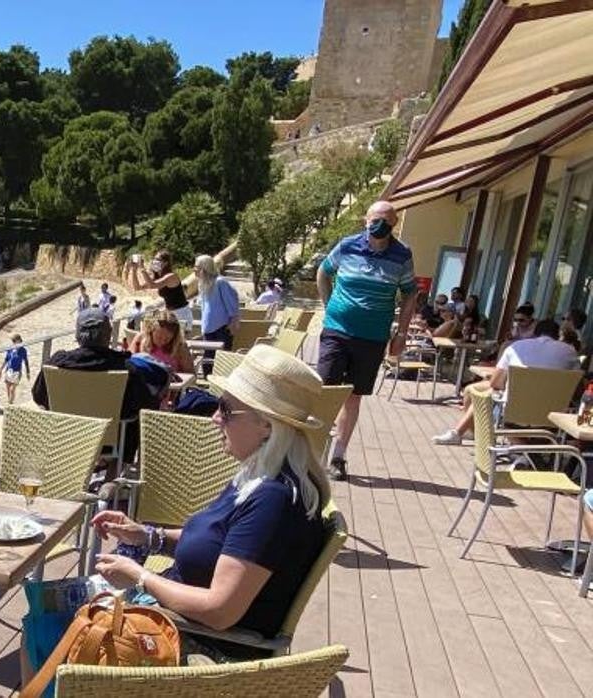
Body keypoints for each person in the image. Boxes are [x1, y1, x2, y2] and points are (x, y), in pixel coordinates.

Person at [84, 345, 329, 661]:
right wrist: (147, 536)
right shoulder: (261, 474)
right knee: (50, 611)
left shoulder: (274, 501)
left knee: (53, 623)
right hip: (177, 620)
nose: (215, 417)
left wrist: (139, 576)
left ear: (267, 426)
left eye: (225, 409)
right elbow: (215, 543)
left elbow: (219, 612)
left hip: (202, 645)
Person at [316, 200, 418, 482]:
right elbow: (324, 272)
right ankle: (313, 452)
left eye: (386, 220)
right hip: (337, 328)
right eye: (375, 218)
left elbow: (410, 293)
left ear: (394, 224)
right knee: (325, 390)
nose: (380, 224)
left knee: (353, 395)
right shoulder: (347, 246)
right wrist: (328, 306)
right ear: (365, 220)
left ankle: (338, 456)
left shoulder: (402, 255)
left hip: (372, 337)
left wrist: (402, 333)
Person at [33, 308, 159, 463]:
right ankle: (113, 475)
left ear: (78, 335)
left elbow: (39, 396)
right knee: (132, 419)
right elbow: (145, 403)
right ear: (108, 335)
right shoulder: (124, 367)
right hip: (110, 444)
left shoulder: (57, 363)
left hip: (65, 438)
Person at [433, 319, 579, 445]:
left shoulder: (516, 347)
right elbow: (576, 386)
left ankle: (461, 432)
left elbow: (495, 383)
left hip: (513, 414)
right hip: (553, 417)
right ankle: (524, 453)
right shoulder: (570, 352)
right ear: (557, 335)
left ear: (535, 333)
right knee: (479, 390)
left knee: (487, 392)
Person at [126, 250, 193, 332]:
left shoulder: (171, 276)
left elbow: (152, 285)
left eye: (157, 259)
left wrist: (142, 268)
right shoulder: (158, 277)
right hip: (171, 314)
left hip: (181, 314)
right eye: (154, 259)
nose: (154, 262)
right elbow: (137, 287)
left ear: (166, 263)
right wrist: (134, 270)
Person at [194, 254, 240, 362]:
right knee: (208, 358)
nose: (194, 270)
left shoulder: (220, 282)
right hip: (208, 327)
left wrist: (233, 322)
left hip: (222, 327)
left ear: (204, 268)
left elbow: (232, 303)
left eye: (197, 267)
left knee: (221, 359)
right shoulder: (203, 284)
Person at [128, 311, 196, 375]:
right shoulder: (141, 339)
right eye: (159, 337)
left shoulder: (180, 347)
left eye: (167, 339)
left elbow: (191, 374)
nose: (162, 341)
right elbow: (129, 362)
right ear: (151, 331)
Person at [2, 334, 31, 404]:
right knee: (8, 388)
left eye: (15, 341)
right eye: (13, 341)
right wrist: (1, 370)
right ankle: (10, 402)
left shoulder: (23, 350)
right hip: (9, 370)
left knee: (12, 389)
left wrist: (28, 372)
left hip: (17, 372)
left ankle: (10, 402)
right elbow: (6, 359)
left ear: (19, 340)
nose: (14, 342)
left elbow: (26, 361)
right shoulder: (10, 349)